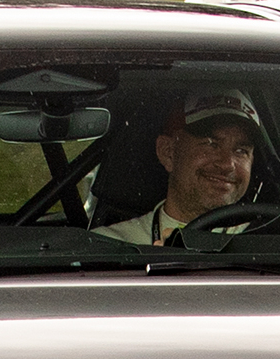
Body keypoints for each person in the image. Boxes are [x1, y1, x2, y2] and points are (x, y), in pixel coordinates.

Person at [97, 90, 263, 245]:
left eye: (241, 151)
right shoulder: (110, 246)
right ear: (168, 152)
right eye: (211, 144)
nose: (228, 164)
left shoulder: (268, 246)